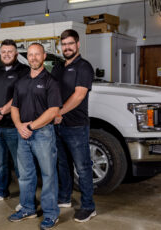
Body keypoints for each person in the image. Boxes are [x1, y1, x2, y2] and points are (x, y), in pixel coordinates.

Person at [8, 43, 62, 230]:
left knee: (48, 175)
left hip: (43, 134)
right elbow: (14, 107)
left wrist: (31, 126)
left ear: (44, 56)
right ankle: (28, 209)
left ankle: (50, 214)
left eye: (37, 54)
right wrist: (19, 125)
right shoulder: (21, 81)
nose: (33, 58)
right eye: (30, 55)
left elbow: (53, 110)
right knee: (25, 175)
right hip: (23, 133)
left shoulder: (50, 81)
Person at [51, 29, 96, 222]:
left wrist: (59, 112)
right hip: (57, 125)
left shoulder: (83, 67)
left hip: (76, 125)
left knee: (83, 167)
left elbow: (79, 95)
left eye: (70, 44)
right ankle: (64, 197)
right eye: (64, 44)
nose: (67, 47)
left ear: (78, 45)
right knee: (63, 164)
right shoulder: (58, 67)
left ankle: (88, 206)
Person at [0, 39, 29, 204]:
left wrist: (1, 111)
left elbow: (19, 96)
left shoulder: (24, 71)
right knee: (0, 163)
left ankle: (25, 200)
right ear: (0, 54)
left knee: (20, 165)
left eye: (10, 51)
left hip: (14, 127)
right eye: (4, 52)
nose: (6, 54)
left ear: (16, 53)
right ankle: (2, 192)